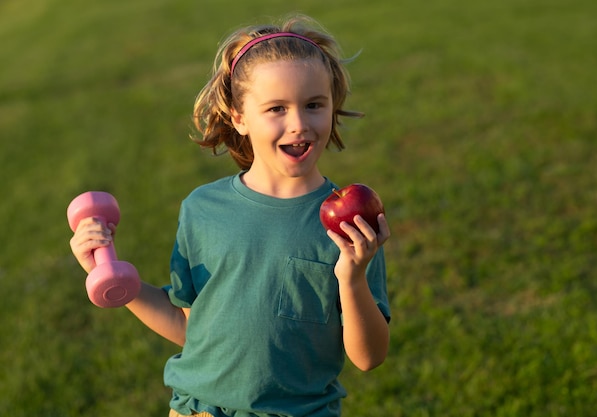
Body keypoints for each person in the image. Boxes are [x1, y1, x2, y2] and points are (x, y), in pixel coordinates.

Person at [70, 14, 391, 417]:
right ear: (239, 117)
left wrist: (352, 277)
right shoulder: (203, 210)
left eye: (314, 105)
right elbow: (190, 326)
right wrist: (113, 279)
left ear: (332, 107)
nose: (299, 124)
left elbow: (369, 357)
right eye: (276, 108)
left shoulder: (348, 229)